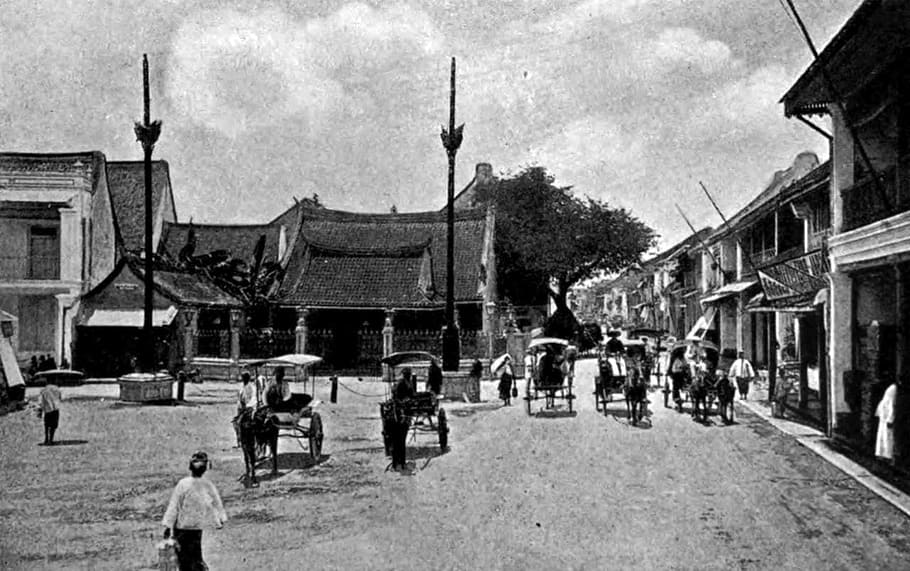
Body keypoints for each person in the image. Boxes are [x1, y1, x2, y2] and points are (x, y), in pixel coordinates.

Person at [161, 451, 227, 571]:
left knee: (183, 557)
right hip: (197, 526)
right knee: (195, 553)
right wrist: (221, 518)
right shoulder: (207, 484)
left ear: (190, 467)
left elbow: (174, 505)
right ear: (205, 469)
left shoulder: (183, 484)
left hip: (182, 527)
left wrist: (167, 525)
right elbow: (217, 502)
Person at [875, 382, 898, 463]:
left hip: (886, 416)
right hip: (884, 415)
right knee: (883, 436)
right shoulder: (891, 388)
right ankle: (883, 455)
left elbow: (891, 404)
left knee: (887, 437)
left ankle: (887, 456)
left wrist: (890, 418)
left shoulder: (893, 388)